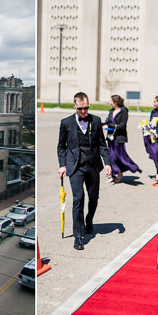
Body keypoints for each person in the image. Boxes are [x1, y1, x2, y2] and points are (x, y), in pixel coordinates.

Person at [57, 92, 112, 250]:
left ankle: (89, 220)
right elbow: (61, 147)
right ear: (74, 106)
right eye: (80, 108)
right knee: (78, 199)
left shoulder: (96, 120)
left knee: (93, 198)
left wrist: (107, 163)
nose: (83, 111)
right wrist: (62, 165)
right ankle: (78, 236)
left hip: (93, 165)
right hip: (75, 167)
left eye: (86, 108)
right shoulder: (66, 123)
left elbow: (102, 144)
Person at [105, 95, 142, 183]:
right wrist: (101, 124)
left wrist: (109, 126)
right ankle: (114, 175)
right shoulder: (111, 111)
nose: (110, 102)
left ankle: (129, 168)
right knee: (111, 156)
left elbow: (122, 125)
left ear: (115, 102)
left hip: (119, 138)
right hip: (111, 138)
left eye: (111, 101)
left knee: (119, 157)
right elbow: (107, 122)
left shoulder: (124, 111)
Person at [145, 95, 158, 173]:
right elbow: (150, 122)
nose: (153, 103)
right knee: (154, 154)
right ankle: (157, 171)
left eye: (155, 102)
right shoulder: (153, 112)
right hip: (153, 136)